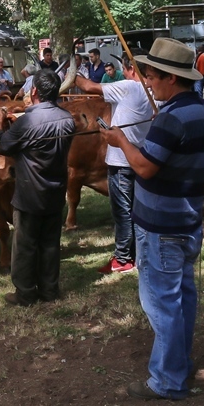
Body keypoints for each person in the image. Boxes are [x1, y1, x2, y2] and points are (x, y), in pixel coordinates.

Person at [100, 38, 204, 401]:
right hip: (187, 222)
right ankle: (178, 364)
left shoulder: (171, 118)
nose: (148, 82)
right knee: (182, 299)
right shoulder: (203, 111)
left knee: (162, 305)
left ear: (170, 77)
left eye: (151, 76)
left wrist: (120, 139)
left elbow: (144, 167)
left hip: (161, 229)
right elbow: (170, 154)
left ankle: (167, 381)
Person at [0, 69, 75, 307]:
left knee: (25, 245)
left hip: (29, 194)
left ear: (34, 91)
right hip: (55, 192)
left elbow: (2, 146)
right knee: (50, 244)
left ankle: (25, 294)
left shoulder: (27, 122)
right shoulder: (67, 119)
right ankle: (49, 290)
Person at [74, 51, 154, 269]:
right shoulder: (155, 91)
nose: (123, 73)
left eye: (125, 69)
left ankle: (123, 259)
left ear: (131, 69)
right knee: (139, 210)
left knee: (123, 212)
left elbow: (88, 86)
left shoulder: (129, 87)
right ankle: (139, 255)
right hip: (143, 159)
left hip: (121, 162)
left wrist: (71, 73)